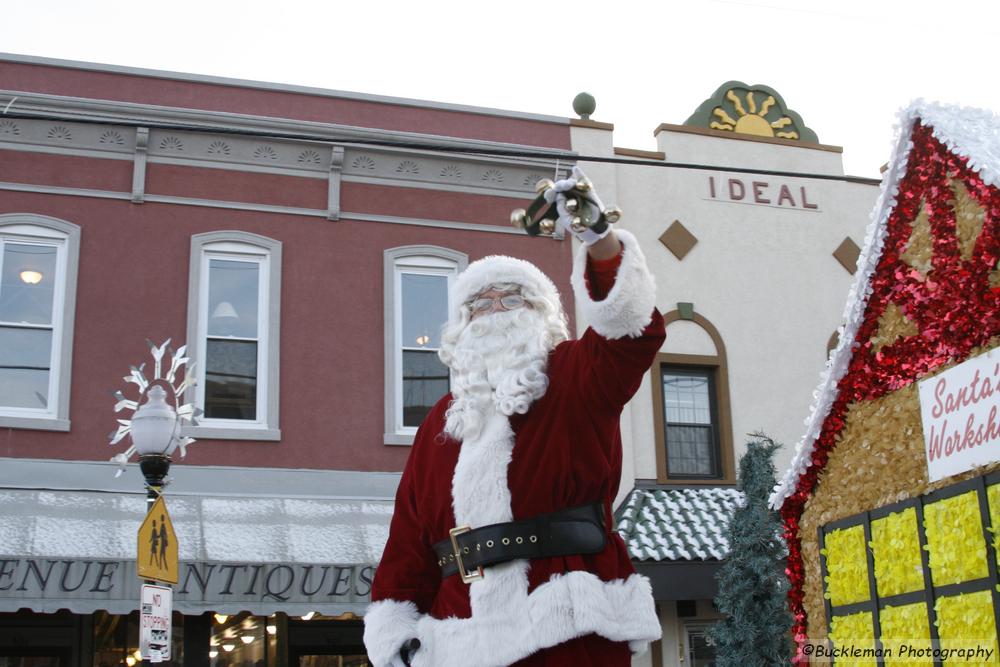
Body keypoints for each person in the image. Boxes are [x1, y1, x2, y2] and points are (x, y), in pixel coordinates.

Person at [363, 168, 664, 667]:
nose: (497, 309)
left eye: (513, 297)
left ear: (542, 314)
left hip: (567, 623)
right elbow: (407, 542)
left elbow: (628, 336)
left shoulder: (572, 376)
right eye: (481, 302)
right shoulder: (442, 422)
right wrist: (395, 635)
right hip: (459, 635)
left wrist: (598, 240)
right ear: (463, 326)